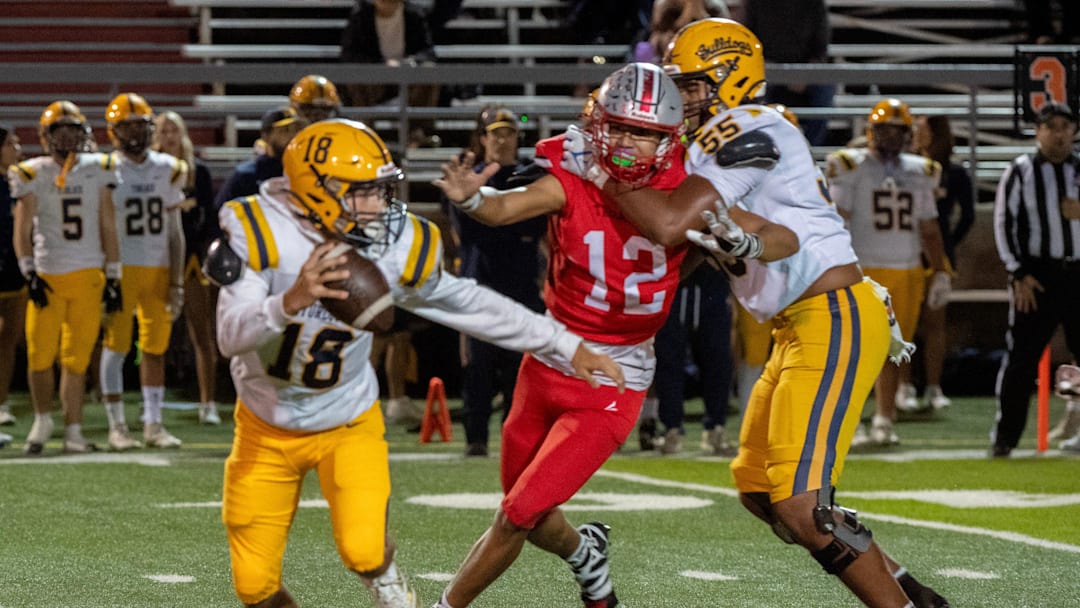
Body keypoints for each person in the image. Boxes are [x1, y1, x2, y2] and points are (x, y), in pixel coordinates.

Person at [563, 19, 950, 608]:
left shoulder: (749, 124)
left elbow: (669, 221)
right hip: (798, 324)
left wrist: (601, 168)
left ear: (731, 78)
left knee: (801, 503)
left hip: (832, 313)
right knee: (759, 488)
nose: (682, 100)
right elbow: (684, 244)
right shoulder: (708, 142)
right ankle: (908, 589)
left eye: (691, 86)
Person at [212, 117, 622, 608]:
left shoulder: (395, 241)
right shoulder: (259, 229)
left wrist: (564, 344)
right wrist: (290, 300)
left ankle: (385, 579)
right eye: (362, 192)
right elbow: (229, 337)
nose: (377, 205)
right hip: (264, 424)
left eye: (380, 189)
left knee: (364, 550)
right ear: (318, 190)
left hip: (347, 419)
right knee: (254, 587)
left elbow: (467, 303)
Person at [432, 62, 687, 608]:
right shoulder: (573, 177)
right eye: (618, 127)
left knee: (516, 514)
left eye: (643, 133)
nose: (627, 142)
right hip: (548, 358)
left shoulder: (690, 192)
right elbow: (503, 208)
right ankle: (585, 555)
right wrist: (471, 199)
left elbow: (747, 238)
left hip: (615, 377)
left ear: (669, 139)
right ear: (598, 125)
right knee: (529, 509)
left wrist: (745, 246)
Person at [826, 98, 951, 447]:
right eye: (886, 130)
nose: (891, 137)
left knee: (892, 351)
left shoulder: (919, 170)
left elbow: (929, 228)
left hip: (905, 269)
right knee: (855, 351)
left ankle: (884, 419)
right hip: (862, 268)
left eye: (898, 131)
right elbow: (836, 221)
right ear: (872, 131)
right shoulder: (850, 166)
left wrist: (939, 271)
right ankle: (853, 421)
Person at [10, 100, 122, 454]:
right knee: (39, 356)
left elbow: (108, 224)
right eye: (61, 132)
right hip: (48, 275)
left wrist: (114, 274)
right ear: (46, 136)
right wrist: (28, 271)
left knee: (76, 360)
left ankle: (73, 430)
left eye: (73, 131)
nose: (68, 139)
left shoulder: (98, 168)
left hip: (88, 274)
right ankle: (43, 419)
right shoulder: (33, 172)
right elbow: (22, 228)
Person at [443, 105, 547, 457]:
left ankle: (515, 437)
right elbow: (466, 231)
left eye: (509, 133)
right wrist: (507, 222)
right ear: (483, 138)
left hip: (521, 281)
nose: (503, 140)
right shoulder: (471, 176)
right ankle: (476, 437)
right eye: (496, 133)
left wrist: (495, 218)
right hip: (480, 282)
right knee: (478, 365)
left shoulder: (530, 175)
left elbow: (536, 224)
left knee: (521, 368)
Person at [991, 101, 1080, 459]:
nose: (1058, 134)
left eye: (1065, 127)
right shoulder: (1020, 171)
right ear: (1038, 131)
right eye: (1051, 127)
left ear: (1074, 132)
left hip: (1078, 272)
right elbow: (1004, 222)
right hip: (1037, 275)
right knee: (1022, 358)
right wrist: (1018, 273)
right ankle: (1005, 437)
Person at [98, 93, 188, 450]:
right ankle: (117, 426)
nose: (135, 133)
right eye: (128, 126)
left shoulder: (168, 167)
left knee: (155, 348)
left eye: (140, 125)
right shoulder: (104, 168)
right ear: (113, 131)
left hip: (158, 268)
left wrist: (177, 281)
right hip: (120, 269)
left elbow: (175, 230)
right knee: (116, 347)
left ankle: (153, 423)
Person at [153, 110, 223, 425]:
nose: (169, 136)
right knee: (153, 333)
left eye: (174, 130)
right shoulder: (151, 171)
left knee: (201, 331)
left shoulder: (199, 172)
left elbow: (208, 217)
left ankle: (208, 402)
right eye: (163, 131)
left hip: (191, 257)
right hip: (157, 257)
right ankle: (150, 404)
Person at [904, 114, 976, 412]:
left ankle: (934, 387)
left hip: (936, 254)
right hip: (906, 250)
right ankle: (904, 385)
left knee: (934, 323)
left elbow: (968, 215)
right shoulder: (904, 167)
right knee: (903, 323)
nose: (916, 134)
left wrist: (948, 245)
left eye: (921, 129)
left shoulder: (953, 173)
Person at [653, 263, 735, 455]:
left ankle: (716, 426)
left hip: (711, 279)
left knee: (717, 359)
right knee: (668, 359)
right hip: (676, 278)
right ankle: (672, 427)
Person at [339, 0, 441, 147]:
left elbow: (427, 52)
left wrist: (410, 62)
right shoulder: (361, 16)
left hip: (408, 75)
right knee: (356, 73)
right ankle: (365, 130)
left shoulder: (414, 14)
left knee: (429, 70)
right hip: (374, 77)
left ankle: (416, 132)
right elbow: (349, 54)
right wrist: (381, 65)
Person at [743, 0, 834, 146]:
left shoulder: (814, 3)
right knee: (757, 89)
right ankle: (766, 143)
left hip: (804, 70)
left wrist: (804, 74)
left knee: (825, 88)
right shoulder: (756, 3)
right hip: (767, 69)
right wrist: (763, 64)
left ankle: (811, 147)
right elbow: (748, 39)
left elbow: (820, 47)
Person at [214, 107, 306, 207]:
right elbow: (223, 211)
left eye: (296, 129)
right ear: (266, 136)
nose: (292, 135)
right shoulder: (246, 175)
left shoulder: (306, 171)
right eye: (285, 130)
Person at [0, 123, 26, 429]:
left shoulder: (21, 180)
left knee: (9, 340)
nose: (17, 149)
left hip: (15, 269)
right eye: (10, 144)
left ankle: (2, 401)